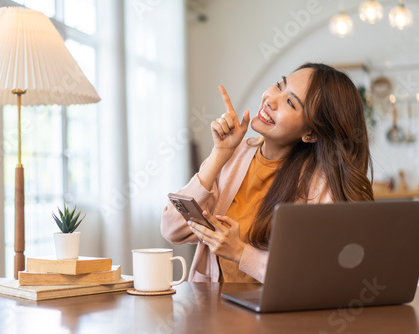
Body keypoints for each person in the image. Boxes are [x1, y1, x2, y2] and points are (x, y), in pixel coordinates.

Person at [160, 62, 374, 283]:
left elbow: (317, 276)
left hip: (277, 316)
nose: (271, 100)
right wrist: (219, 154)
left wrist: (240, 252)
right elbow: (172, 229)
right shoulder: (232, 156)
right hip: (213, 310)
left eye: (290, 102)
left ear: (311, 133)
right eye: (280, 85)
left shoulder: (320, 187)